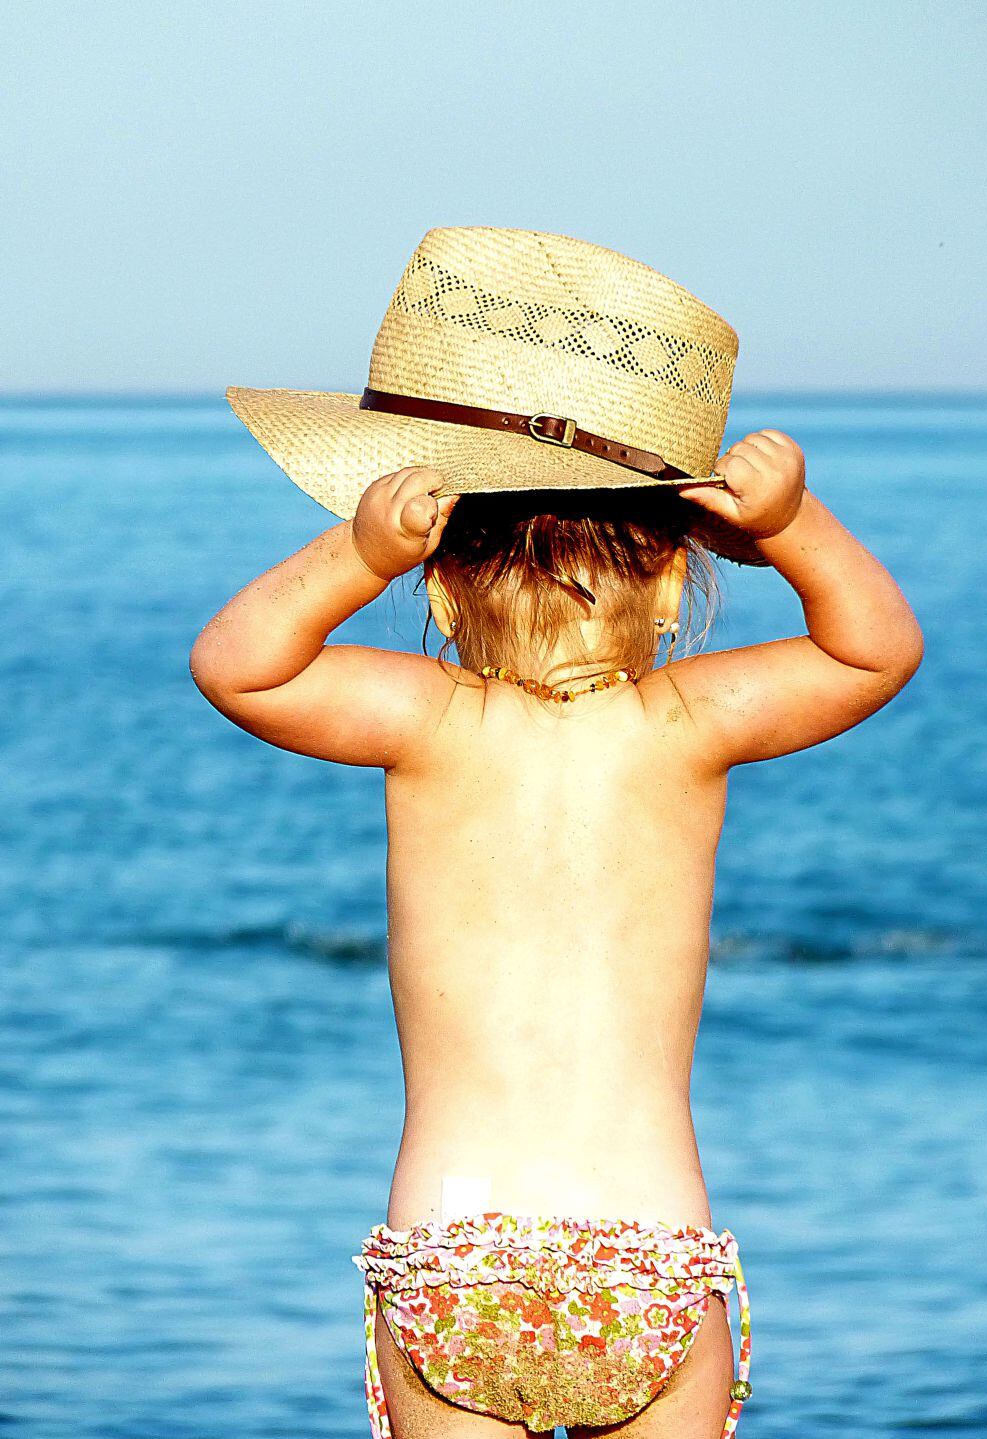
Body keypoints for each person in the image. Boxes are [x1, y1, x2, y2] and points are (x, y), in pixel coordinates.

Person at [191, 228, 923, 1438]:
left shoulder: (425, 718)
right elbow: (873, 647)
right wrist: (795, 525)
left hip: (451, 1255)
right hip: (652, 1258)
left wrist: (352, 553)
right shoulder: (689, 720)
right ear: (681, 586)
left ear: (434, 585)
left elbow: (239, 666)